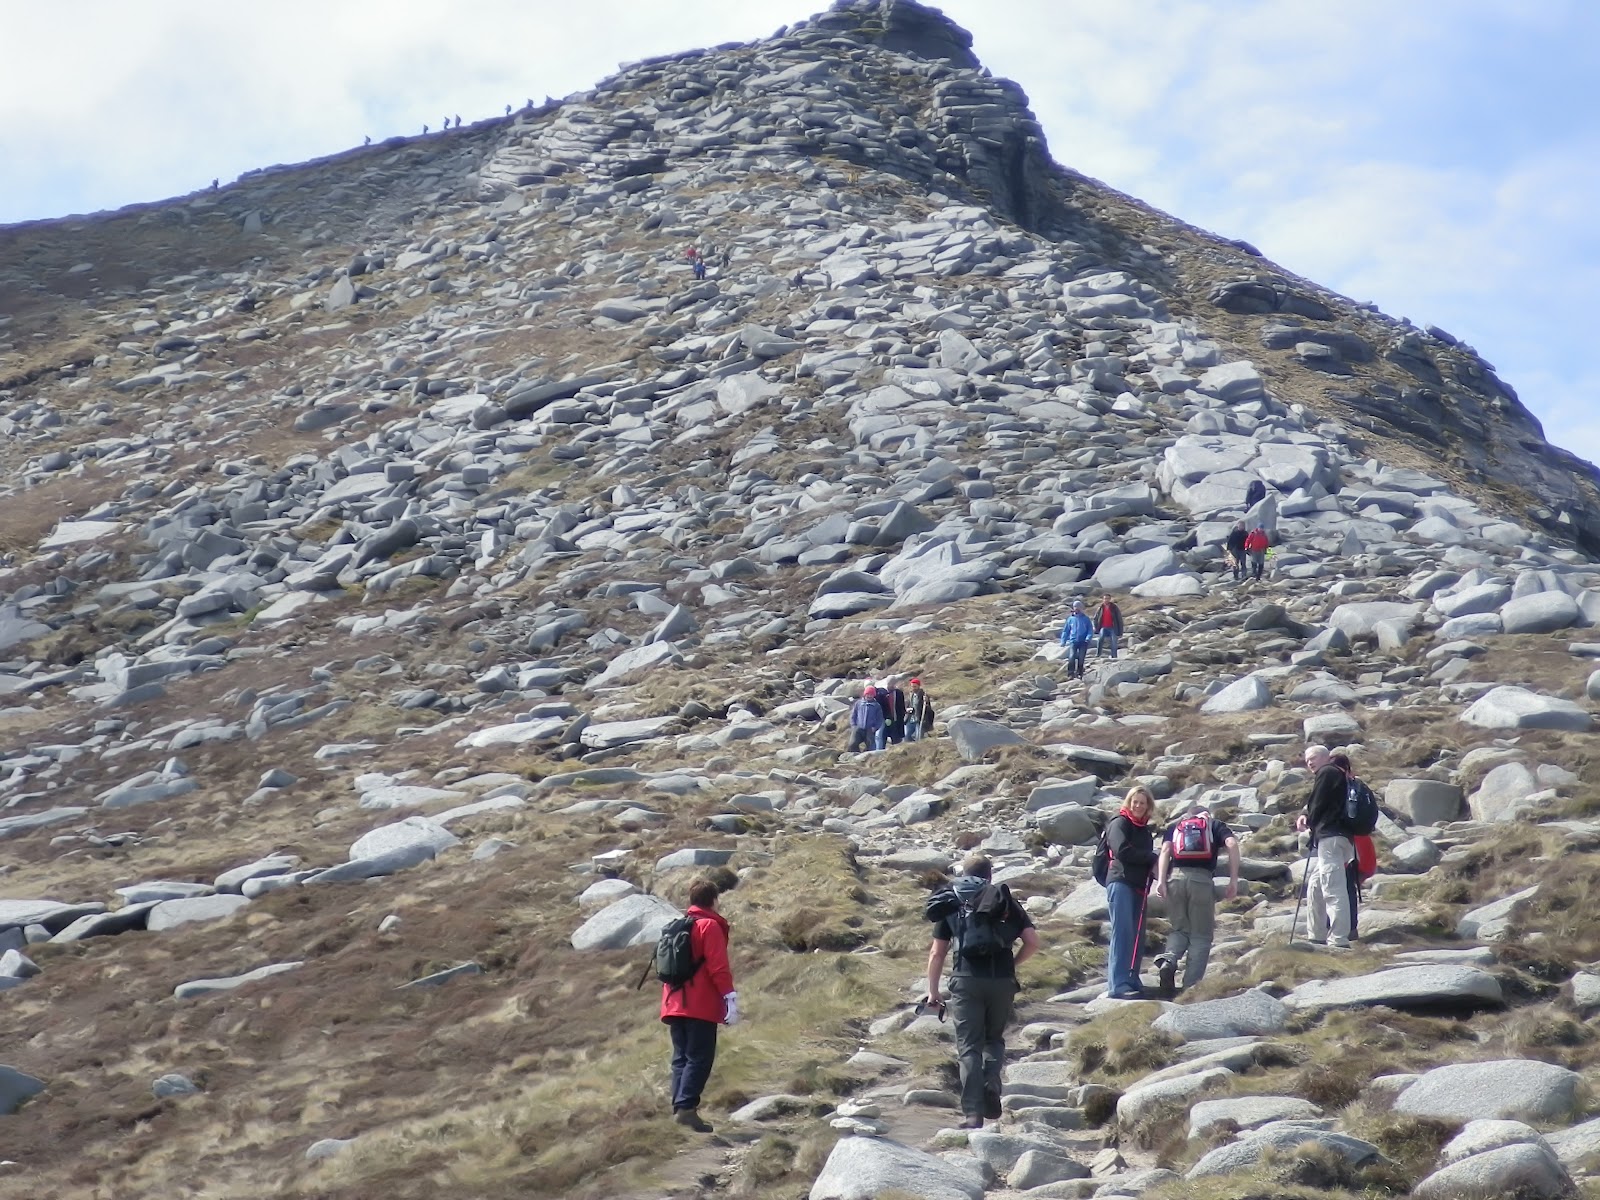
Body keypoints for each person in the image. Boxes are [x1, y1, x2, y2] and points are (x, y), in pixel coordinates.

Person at [924, 854, 1040, 1129]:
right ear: (989, 875)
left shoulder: (951, 900)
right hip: (1002, 980)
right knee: (994, 1039)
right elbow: (1033, 942)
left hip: (965, 980)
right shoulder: (1003, 899)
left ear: (964, 873)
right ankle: (991, 1082)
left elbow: (937, 952)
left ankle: (973, 1114)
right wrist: (1012, 963)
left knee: (968, 1047)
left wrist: (933, 992)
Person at [660, 877, 737, 1133]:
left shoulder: (676, 927)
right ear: (714, 900)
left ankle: (680, 1109)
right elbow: (718, 968)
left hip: (673, 1003)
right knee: (699, 1058)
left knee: (681, 1058)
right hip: (699, 1004)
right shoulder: (709, 927)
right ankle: (687, 1109)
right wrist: (729, 997)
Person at [1152, 803, 1240, 996]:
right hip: (1201, 881)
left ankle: (1169, 959)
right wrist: (1233, 880)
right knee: (1201, 935)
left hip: (1175, 879)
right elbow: (1232, 845)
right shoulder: (1214, 825)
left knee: (1179, 929)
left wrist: (1161, 881)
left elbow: (1165, 851)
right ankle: (1190, 988)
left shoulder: (1176, 826)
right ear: (1206, 815)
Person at [1103, 786, 1158, 998]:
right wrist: (1151, 858)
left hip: (1138, 886)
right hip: (1121, 882)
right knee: (1123, 932)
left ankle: (1132, 978)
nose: (1138, 806)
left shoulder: (1144, 830)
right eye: (1135, 801)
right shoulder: (1119, 823)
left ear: (1148, 807)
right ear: (1128, 802)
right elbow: (1121, 851)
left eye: (1142, 803)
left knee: (1137, 934)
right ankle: (1117, 985)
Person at [1296, 744, 1352, 948]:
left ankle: (1339, 939)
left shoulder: (1327, 772)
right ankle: (1316, 934)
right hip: (1339, 839)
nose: (1310, 762)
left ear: (1325, 758)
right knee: (1315, 884)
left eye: (1313, 758)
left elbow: (1317, 803)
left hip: (1331, 838)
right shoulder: (1340, 776)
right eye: (1307, 760)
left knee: (1333, 888)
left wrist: (1307, 820)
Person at [1332, 753, 1377, 939]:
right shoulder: (1360, 786)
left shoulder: (1338, 785)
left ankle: (1339, 929)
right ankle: (1351, 928)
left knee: (1338, 886)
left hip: (1345, 841)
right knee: (1349, 886)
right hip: (1363, 842)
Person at [1059, 599, 1093, 680]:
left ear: (1081, 608)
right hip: (1073, 641)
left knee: (1081, 658)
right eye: (1075, 607)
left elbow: (1090, 630)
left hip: (1083, 641)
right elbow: (1066, 630)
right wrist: (1063, 641)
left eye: (1078, 607)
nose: (1076, 608)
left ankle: (1079, 673)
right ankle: (1070, 673)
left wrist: (1088, 638)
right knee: (1072, 656)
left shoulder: (1086, 619)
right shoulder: (1070, 619)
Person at [847, 685, 884, 752]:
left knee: (871, 747)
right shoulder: (858, 703)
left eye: (871, 694)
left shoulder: (877, 706)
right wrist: (853, 726)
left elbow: (880, 719)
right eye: (868, 694)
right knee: (852, 744)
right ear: (865, 694)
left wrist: (875, 728)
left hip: (870, 729)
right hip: (858, 728)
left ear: (874, 695)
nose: (869, 696)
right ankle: (855, 756)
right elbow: (853, 715)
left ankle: (867, 757)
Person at [877, 676, 907, 748]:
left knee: (896, 739)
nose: (890, 685)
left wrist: (902, 717)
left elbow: (901, 707)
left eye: (892, 684)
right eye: (889, 683)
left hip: (896, 719)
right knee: (882, 738)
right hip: (885, 720)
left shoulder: (899, 693)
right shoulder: (882, 693)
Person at [1093, 595, 1124, 660]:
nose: (1106, 600)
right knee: (1100, 639)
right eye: (1105, 599)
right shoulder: (1100, 608)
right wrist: (1096, 628)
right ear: (1103, 599)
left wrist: (1120, 632)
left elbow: (1119, 619)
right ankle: (1098, 654)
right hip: (1103, 627)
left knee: (1114, 641)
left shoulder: (1114, 608)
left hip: (1113, 627)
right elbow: (1095, 618)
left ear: (1110, 599)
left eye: (1107, 599)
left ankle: (1114, 656)